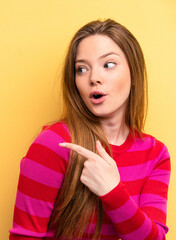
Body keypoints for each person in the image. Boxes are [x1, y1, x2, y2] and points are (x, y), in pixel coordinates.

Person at [9, 19, 170, 240]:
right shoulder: (54, 144)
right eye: (82, 69)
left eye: (108, 64)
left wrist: (113, 192)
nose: (94, 78)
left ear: (134, 73)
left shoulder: (155, 154)